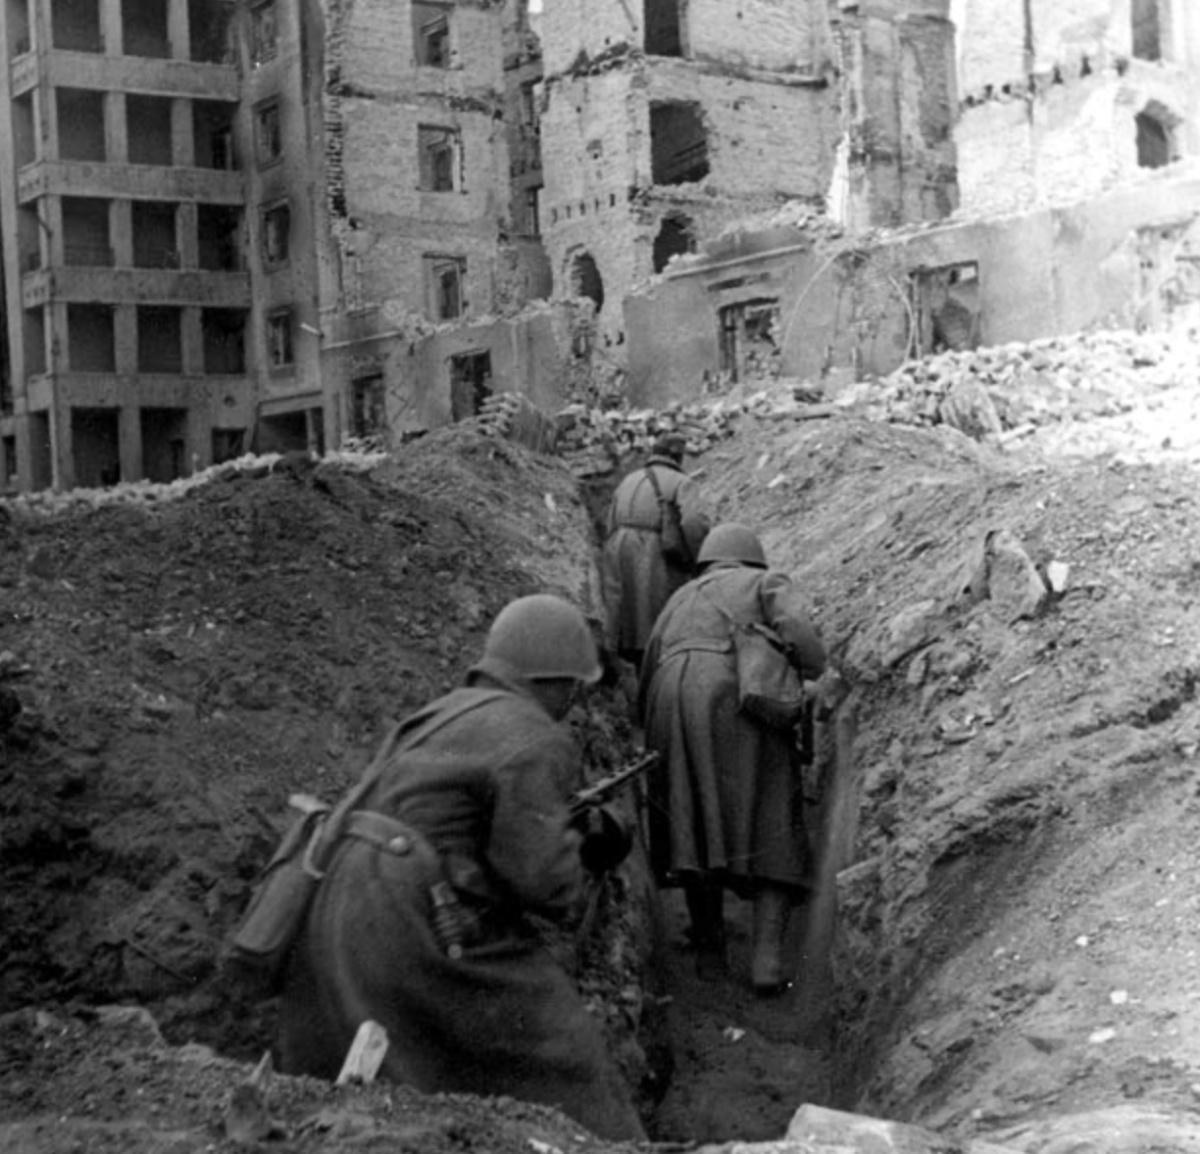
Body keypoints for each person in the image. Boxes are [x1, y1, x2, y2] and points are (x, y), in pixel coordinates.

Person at [276, 594, 644, 1142]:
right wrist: (589, 846)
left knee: (392, 1082)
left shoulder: (441, 711)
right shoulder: (535, 735)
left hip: (337, 896)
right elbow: (542, 882)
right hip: (408, 910)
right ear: (554, 679)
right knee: (563, 1046)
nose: (573, 701)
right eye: (574, 686)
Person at [638, 523, 826, 994]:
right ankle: (766, 960)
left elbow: (647, 666)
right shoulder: (764, 582)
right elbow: (800, 635)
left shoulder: (678, 598)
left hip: (669, 700)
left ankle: (708, 945)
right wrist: (814, 671)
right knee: (772, 817)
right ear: (752, 558)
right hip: (735, 697)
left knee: (692, 823)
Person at [601, 433, 710, 673]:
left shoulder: (628, 480)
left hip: (616, 547)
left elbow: (608, 521)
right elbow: (694, 523)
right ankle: (654, 670)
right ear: (677, 456)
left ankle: (619, 663)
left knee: (623, 613)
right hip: (650, 550)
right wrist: (700, 559)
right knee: (654, 616)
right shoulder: (682, 483)